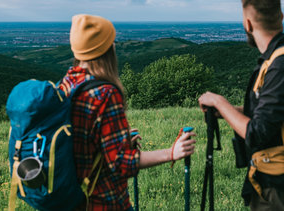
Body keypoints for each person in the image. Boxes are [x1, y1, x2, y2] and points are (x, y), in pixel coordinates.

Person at [58, 14, 196, 211]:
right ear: (107, 49)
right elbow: (121, 163)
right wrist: (171, 153)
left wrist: (118, 143)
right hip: (105, 202)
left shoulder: (66, 84)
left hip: (73, 200)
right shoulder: (105, 94)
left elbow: (80, 144)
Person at [198, 0, 284, 211]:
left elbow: (258, 132)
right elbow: (272, 113)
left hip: (277, 184)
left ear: (248, 24)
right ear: (281, 17)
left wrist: (220, 102)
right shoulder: (283, 55)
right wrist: (228, 111)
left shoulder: (283, 66)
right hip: (274, 176)